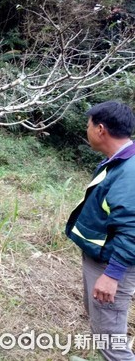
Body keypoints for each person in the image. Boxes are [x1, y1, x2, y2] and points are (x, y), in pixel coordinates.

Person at [65, 101, 135, 361]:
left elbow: (132, 228)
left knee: (112, 342)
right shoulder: (119, 161)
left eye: (88, 126)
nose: (87, 130)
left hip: (112, 266)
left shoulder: (129, 171)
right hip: (101, 258)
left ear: (101, 129)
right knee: (102, 329)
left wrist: (113, 275)